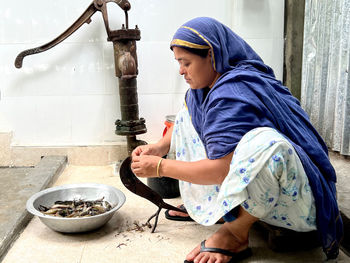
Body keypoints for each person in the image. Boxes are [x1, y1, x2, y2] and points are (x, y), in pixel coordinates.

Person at [131, 17, 343, 263]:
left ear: (211, 54)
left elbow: (221, 170)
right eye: (178, 63)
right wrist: (158, 148)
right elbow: (185, 120)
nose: (181, 70)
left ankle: (235, 233)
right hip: (268, 190)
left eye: (186, 62)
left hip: (299, 201)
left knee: (266, 144)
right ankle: (217, 207)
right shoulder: (207, 88)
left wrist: (160, 167)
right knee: (190, 109)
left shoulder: (233, 93)